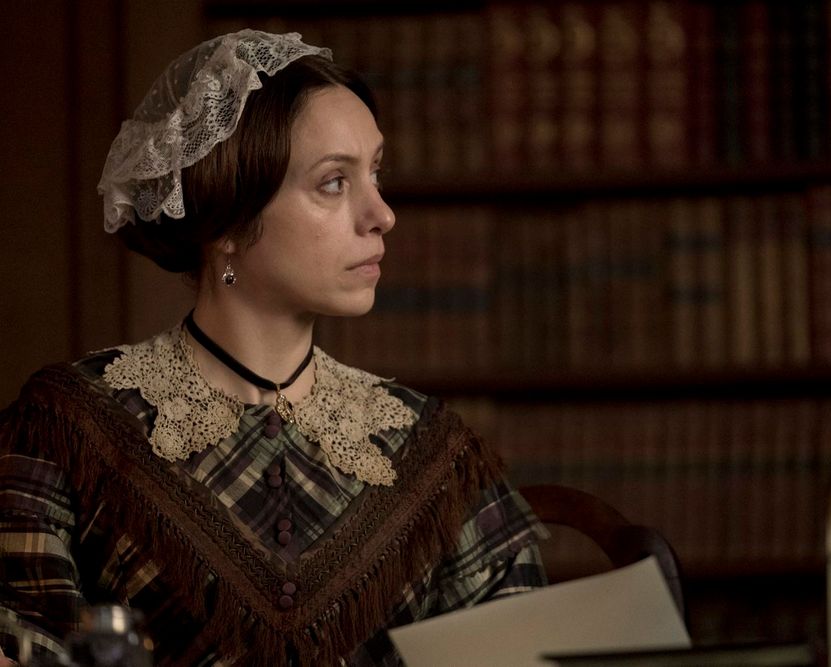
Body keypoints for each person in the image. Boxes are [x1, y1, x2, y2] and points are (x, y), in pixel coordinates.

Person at [0, 29, 547, 666]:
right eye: (334, 182)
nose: (382, 214)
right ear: (229, 221)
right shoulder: (70, 429)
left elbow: (525, 642)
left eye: (375, 173)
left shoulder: (432, 453)